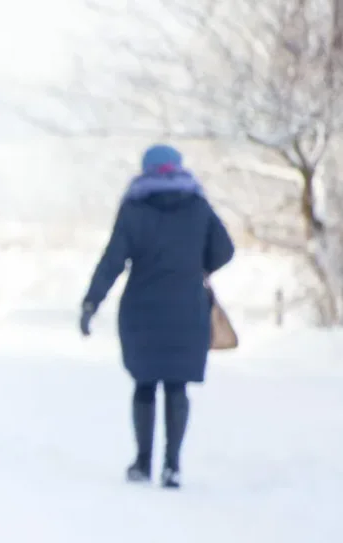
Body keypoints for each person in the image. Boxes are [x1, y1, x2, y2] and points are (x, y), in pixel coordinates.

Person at [79, 144, 235, 489]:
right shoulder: (197, 205)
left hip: (142, 308)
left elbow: (112, 261)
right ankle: (172, 466)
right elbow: (225, 249)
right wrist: (195, 266)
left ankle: (142, 463)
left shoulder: (134, 206)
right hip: (187, 307)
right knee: (177, 385)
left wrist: (91, 302)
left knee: (145, 383)